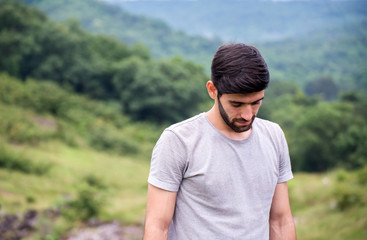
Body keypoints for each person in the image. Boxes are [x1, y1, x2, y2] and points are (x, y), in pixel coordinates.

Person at [143, 43, 296, 240]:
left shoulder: (274, 136)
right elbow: (157, 226)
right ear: (212, 90)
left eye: (256, 102)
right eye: (236, 104)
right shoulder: (179, 141)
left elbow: (281, 221)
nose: (248, 115)